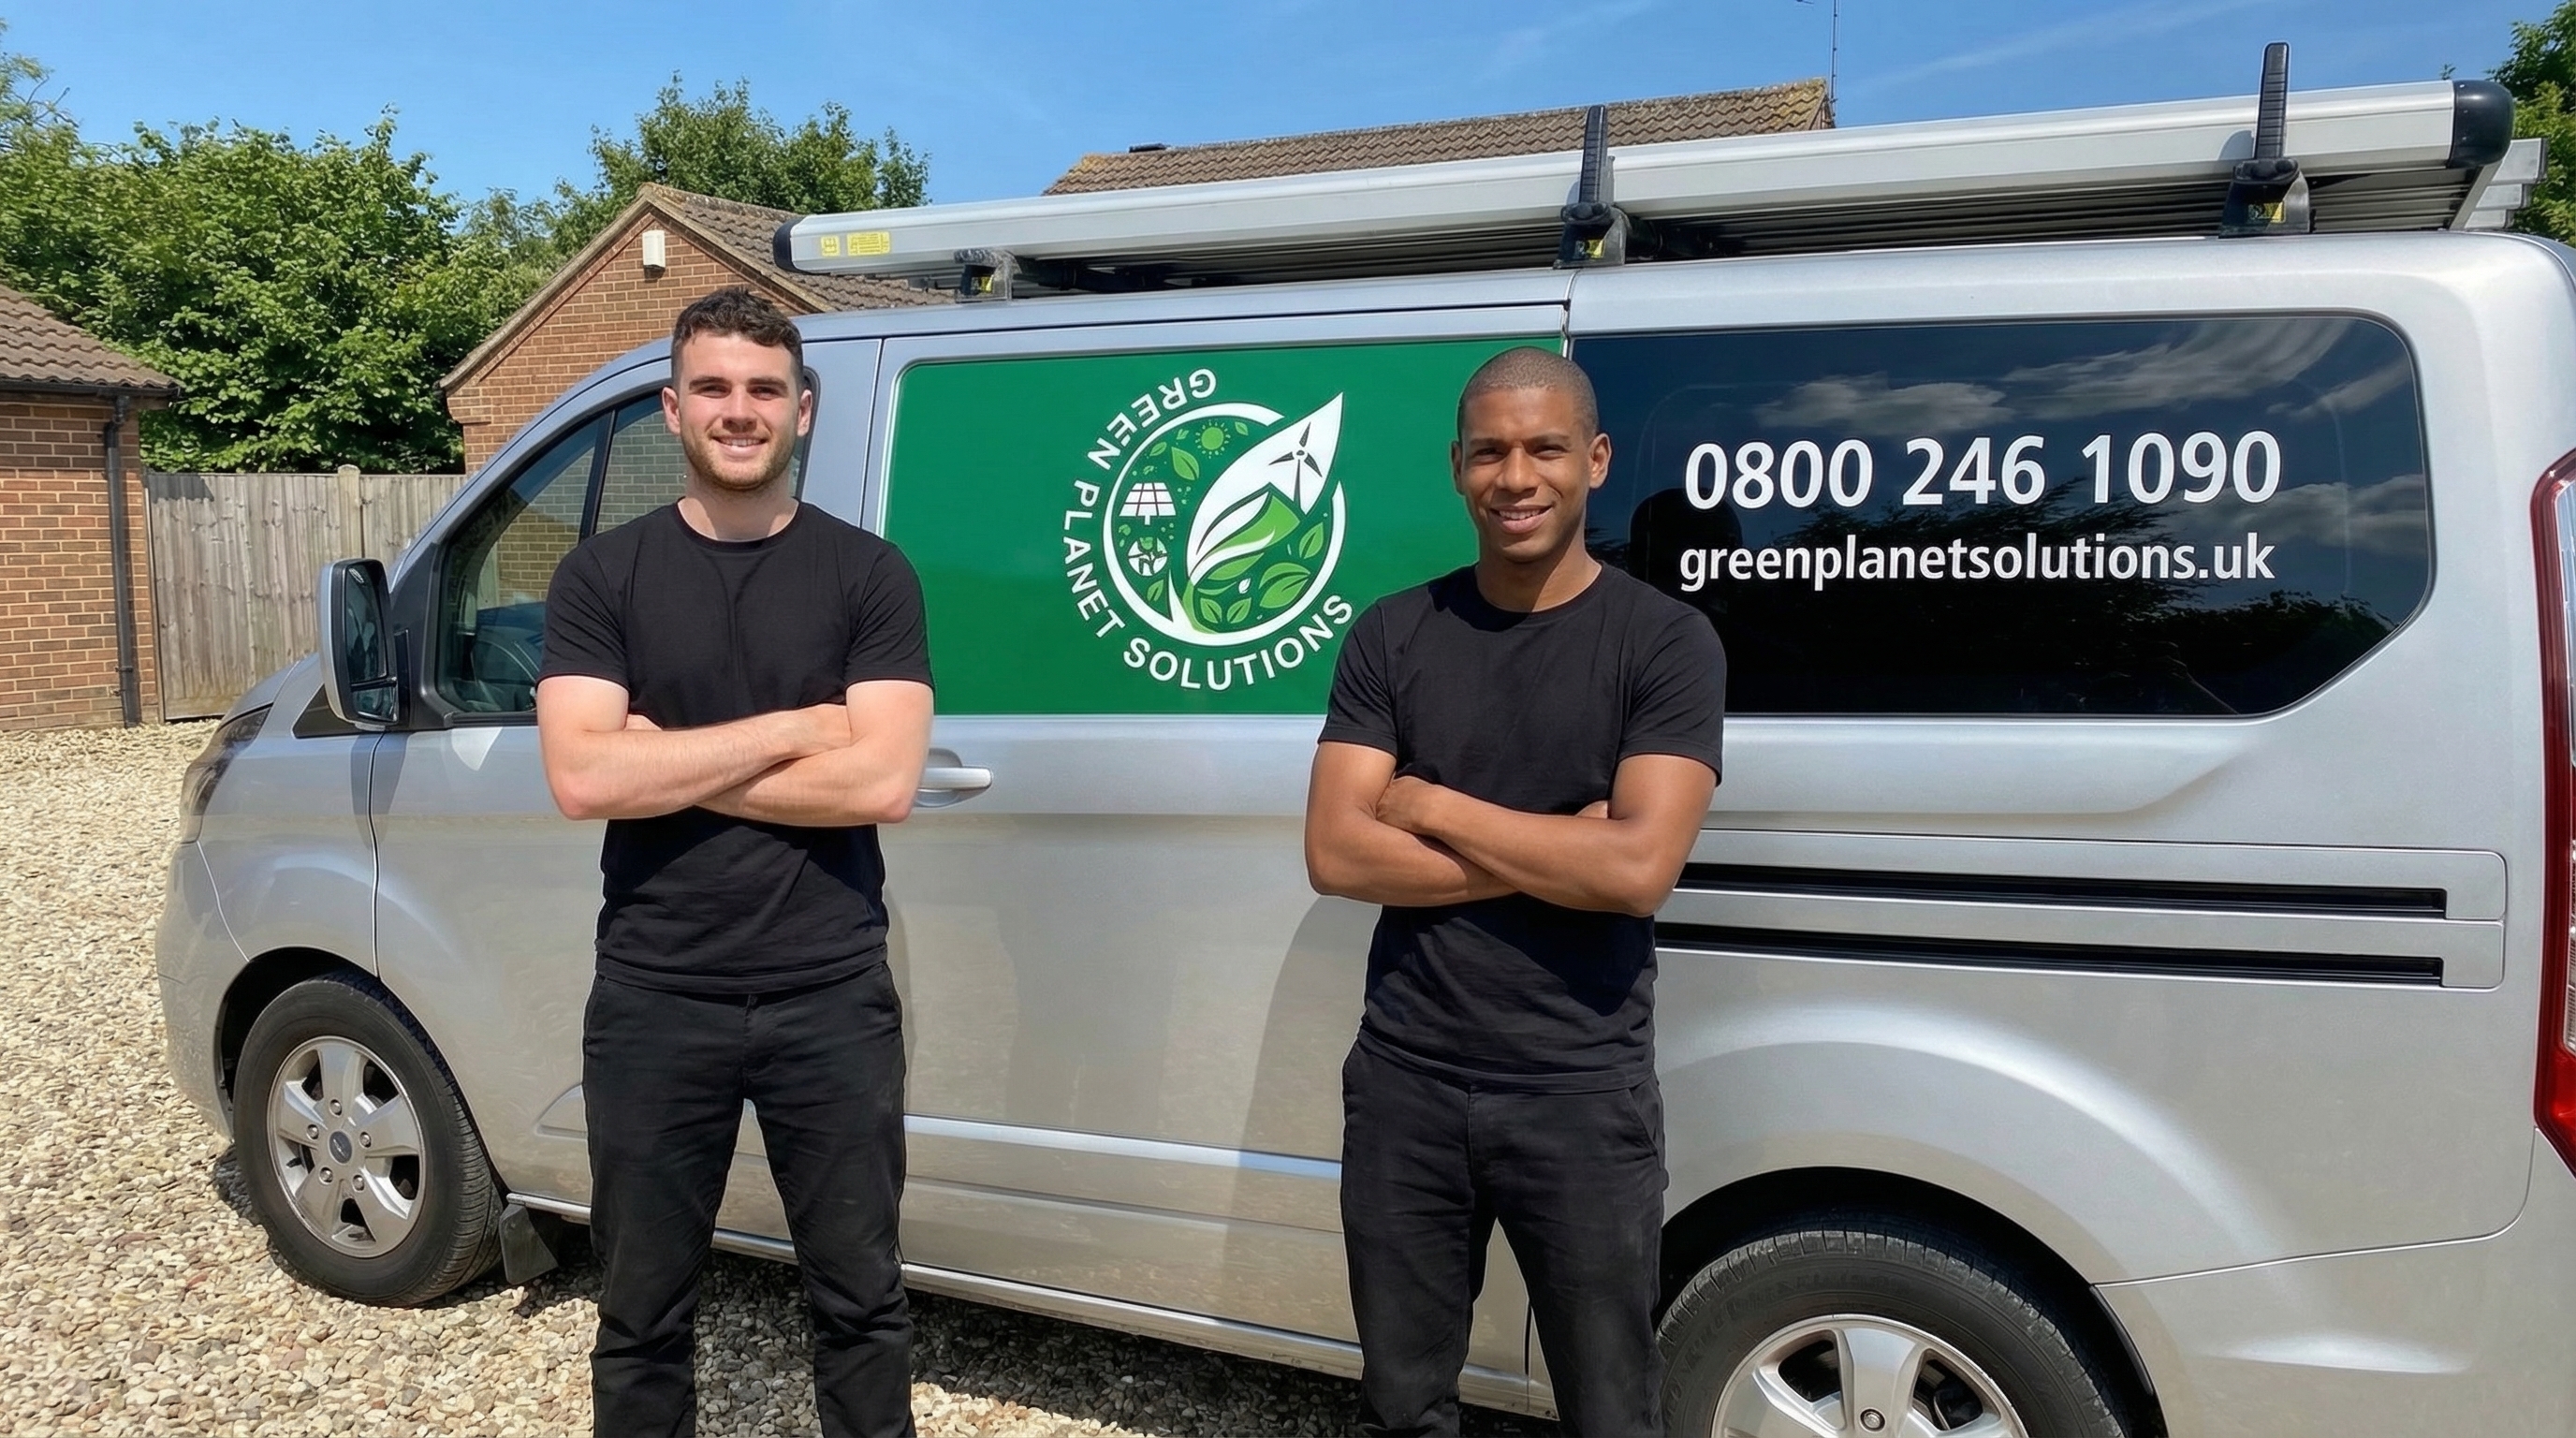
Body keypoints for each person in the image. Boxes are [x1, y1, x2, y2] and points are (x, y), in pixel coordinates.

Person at [1303, 347, 1725, 1438]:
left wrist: (1433, 807)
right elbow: (1337, 857)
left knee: (1607, 1406)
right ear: (1456, 468)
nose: (1516, 476)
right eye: (1489, 451)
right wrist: (1560, 847)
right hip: (1406, 1078)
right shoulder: (1394, 634)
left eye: (1544, 448)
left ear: (1594, 459)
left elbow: (1637, 872)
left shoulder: (1665, 642)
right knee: (1403, 1401)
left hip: (1578, 1090)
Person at [534, 286, 933, 1438]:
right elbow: (581, 780)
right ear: (672, 407)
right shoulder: (602, 577)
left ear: (803, 410)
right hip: (657, 995)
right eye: (713, 387)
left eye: (765, 389)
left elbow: (883, 785)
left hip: (829, 994)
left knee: (862, 1300)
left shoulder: (869, 576)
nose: (740, 409)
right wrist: (798, 725)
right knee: (641, 1308)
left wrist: (666, 756)